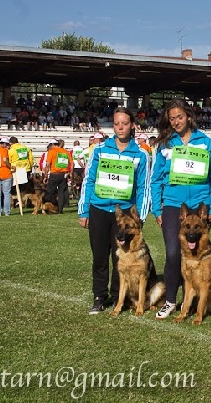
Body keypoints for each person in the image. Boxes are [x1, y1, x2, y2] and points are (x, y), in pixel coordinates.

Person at [151, 99, 211, 319]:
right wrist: (157, 209)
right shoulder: (165, 144)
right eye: (172, 118)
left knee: (199, 256)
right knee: (173, 253)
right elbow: (155, 180)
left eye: (179, 117)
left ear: (189, 117)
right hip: (173, 204)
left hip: (201, 204)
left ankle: (196, 300)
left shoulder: (205, 142)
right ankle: (171, 300)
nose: (176, 122)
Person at [78, 107, 151, 314]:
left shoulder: (141, 155)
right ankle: (99, 296)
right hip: (99, 209)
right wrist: (83, 211)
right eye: (117, 123)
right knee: (99, 256)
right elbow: (88, 180)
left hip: (125, 214)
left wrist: (141, 216)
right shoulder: (99, 150)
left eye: (125, 123)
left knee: (121, 257)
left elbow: (143, 188)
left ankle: (119, 294)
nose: (121, 127)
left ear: (132, 126)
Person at [43, 138, 73, 214]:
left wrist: (46, 176)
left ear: (52, 145)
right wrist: (70, 173)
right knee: (61, 193)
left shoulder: (52, 151)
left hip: (54, 174)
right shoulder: (66, 152)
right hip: (63, 175)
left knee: (50, 192)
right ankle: (60, 210)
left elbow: (48, 164)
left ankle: (49, 208)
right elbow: (72, 164)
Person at [0, 136, 14, 216]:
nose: (8, 146)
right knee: (6, 193)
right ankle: (7, 211)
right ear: (4, 144)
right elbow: (5, 160)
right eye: (7, 144)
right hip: (5, 174)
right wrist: (11, 167)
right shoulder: (4, 150)